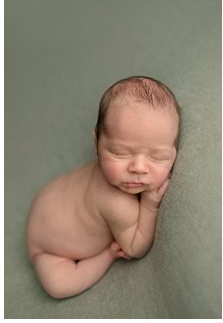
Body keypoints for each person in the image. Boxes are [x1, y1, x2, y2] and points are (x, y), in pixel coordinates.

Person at [26, 76, 180, 298]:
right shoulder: (117, 203)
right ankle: (104, 256)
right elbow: (135, 248)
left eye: (157, 157)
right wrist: (149, 204)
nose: (138, 167)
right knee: (58, 286)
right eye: (119, 153)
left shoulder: (107, 172)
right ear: (96, 142)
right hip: (49, 248)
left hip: (47, 201)